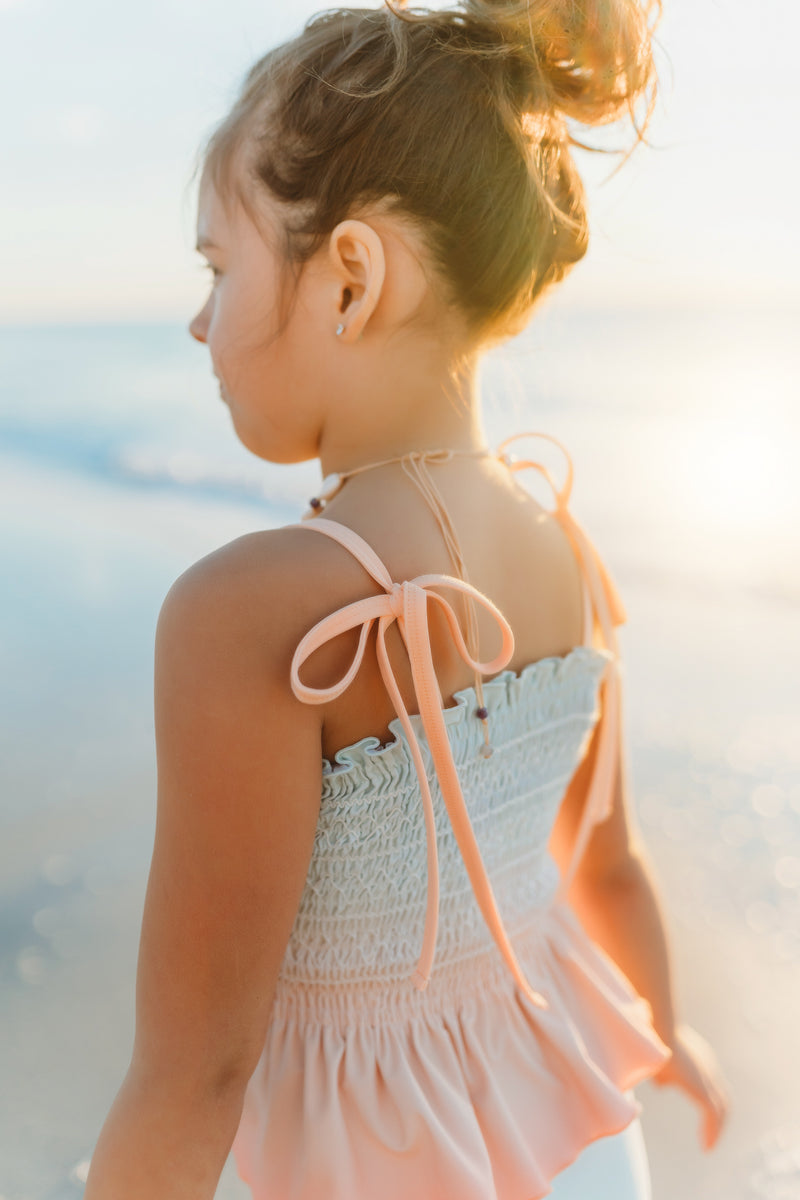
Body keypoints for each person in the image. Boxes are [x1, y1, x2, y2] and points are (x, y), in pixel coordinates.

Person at [84, 1, 731, 1197]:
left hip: (370, 1160)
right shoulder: (568, 553)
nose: (198, 320)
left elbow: (196, 1075)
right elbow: (613, 868)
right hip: (571, 1134)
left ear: (348, 280)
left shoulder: (250, 611)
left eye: (219, 270)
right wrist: (669, 1030)